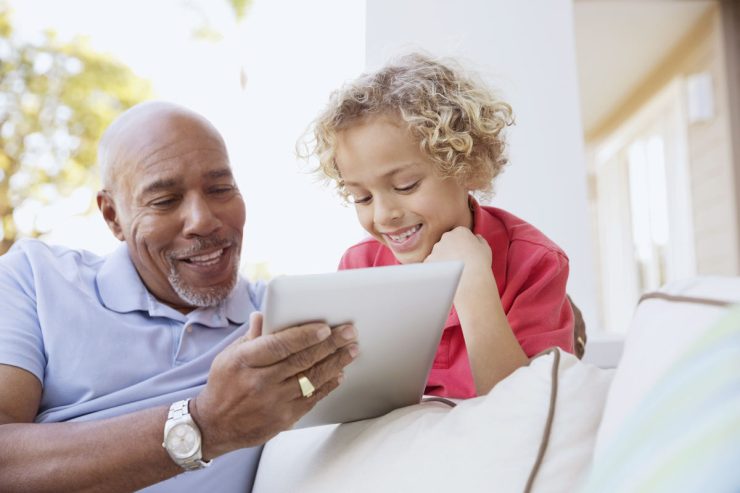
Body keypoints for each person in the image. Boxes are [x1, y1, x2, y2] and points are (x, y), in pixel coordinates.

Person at [0, 101, 359, 492]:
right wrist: (205, 425)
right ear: (112, 216)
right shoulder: (34, 279)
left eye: (220, 189)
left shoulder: (284, 321)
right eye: (165, 201)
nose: (203, 220)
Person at [301, 53, 574, 399]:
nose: (384, 216)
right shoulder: (359, 268)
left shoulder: (535, 263)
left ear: (469, 167)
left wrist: (473, 283)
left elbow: (523, 409)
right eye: (362, 198)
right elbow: (341, 398)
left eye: (405, 186)